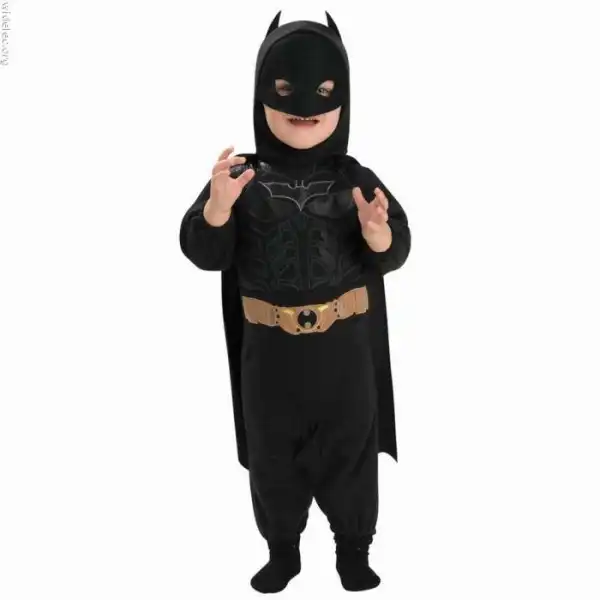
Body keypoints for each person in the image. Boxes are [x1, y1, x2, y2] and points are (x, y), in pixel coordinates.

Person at [179, 11, 411, 593]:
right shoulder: (241, 178)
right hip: (269, 353)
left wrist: (378, 232)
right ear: (262, 93)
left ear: (343, 99)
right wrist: (217, 207)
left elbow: (398, 249)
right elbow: (203, 251)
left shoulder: (354, 178)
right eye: (285, 89)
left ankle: (354, 549)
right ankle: (282, 550)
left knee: (350, 449)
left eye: (323, 91)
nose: (304, 106)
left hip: (343, 352)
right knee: (272, 453)